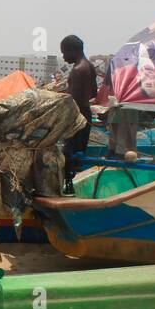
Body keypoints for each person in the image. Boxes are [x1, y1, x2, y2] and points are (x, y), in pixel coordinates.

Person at [61, 34, 97, 193]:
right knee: (79, 154)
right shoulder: (89, 66)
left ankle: (68, 189)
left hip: (76, 118)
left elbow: (72, 100)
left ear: (72, 50)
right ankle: (76, 188)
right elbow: (94, 93)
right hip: (86, 116)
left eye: (64, 53)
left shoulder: (77, 70)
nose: (63, 57)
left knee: (69, 156)